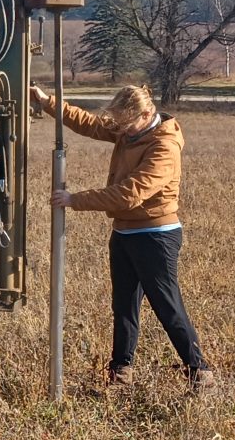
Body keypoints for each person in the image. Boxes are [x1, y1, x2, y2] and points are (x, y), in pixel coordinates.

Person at [29, 83, 216, 392]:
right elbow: (89, 123)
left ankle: (200, 371)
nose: (122, 131)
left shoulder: (164, 146)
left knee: (166, 305)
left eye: (127, 124)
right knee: (124, 306)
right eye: (119, 124)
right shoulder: (129, 130)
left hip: (155, 236)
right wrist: (48, 102)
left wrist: (76, 199)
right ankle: (120, 373)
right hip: (124, 233)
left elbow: (130, 193)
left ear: (146, 114)